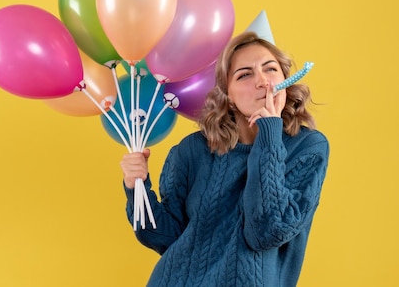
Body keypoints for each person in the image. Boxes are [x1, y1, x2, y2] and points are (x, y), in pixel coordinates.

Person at [120, 31, 329, 287]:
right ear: (227, 94)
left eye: (271, 69)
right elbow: (163, 236)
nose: (263, 82)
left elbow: (266, 232)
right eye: (245, 74)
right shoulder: (192, 150)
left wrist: (270, 133)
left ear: (285, 79)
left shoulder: (308, 147)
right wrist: (136, 187)